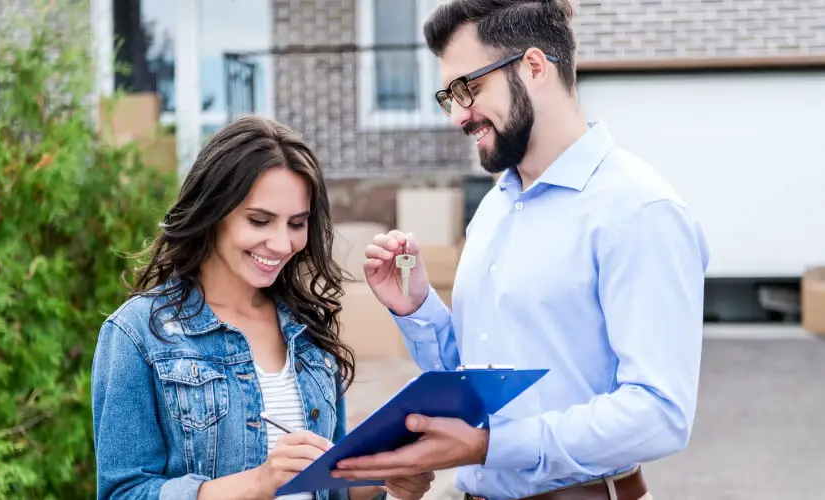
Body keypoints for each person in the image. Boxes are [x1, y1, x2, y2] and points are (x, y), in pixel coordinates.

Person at [331, 1, 710, 499]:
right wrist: (419, 309)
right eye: (449, 96)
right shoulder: (495, 207)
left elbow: (660, 413)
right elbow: (478, 385)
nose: (458, 115)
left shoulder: (639, 210)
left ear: (534, 67)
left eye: (469, 88)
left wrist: (491, 445)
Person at [91, 115, 435, 500]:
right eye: (260, 221)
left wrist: (385, 480)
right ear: (213, 212)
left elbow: (329, 486)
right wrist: (259, 482)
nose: (281, 244)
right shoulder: (138, 334)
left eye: (296, 223)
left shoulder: (308, 331)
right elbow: (124, 493)